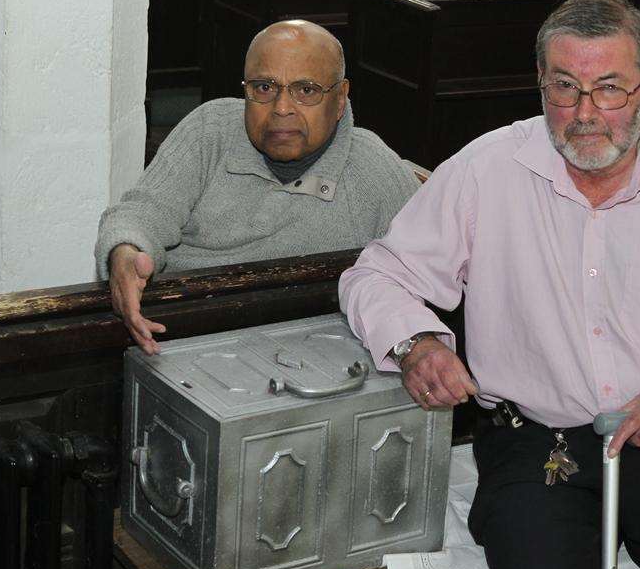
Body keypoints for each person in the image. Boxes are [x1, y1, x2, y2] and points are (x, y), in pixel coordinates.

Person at [339, 0, 640, 569]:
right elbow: (375, 274)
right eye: (563, 87)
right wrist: (417, 344)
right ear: (541, 85)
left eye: (609, 88)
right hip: (537, 440)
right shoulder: (484, 170)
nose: (583, 113)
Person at [96, 20, 420, 355]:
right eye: (264, 88)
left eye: (305, 90)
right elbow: (142, 212)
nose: (281, 108)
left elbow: (428, 267)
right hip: (176, 337)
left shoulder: (374, 172)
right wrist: (124, 252)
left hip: (311, 356)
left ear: (339, 99)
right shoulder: (208, 132)